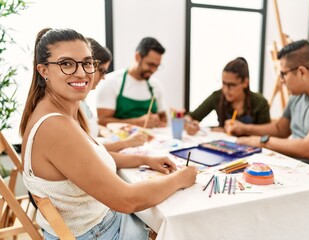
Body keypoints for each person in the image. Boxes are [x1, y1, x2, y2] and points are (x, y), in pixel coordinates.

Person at [20, 28, 197, 239]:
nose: (81, 73)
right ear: (44, 70)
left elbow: (88, 161)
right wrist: (180, 178)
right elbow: (126, 200)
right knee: (188, 222)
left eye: (87, 63)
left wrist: (145, 159)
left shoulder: (54, 113)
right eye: (66, 63)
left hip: (96, 224)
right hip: (101, 232)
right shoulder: (56, 126)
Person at [225, 40, 309, 196]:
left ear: (302, 71)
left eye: (283, 74)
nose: (281, 80)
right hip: (298, 172)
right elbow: (280, 129)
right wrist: (243, 128)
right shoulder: (297, 94)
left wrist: (261, 141)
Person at [82, 37, 148, 152]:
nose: (103, 77)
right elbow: (87, 150)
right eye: (102, 71)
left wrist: (117, 135)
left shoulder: (82, 102)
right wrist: (127, 142)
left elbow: (92, 131)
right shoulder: (72, 107)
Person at [185, 57, 271, 135]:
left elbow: (267, 132)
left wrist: (244, 129)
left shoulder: (260, 102)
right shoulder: (217, 96)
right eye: (224, 83)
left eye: (231, 85)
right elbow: (190, 117)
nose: (226, 90)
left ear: (245, 83)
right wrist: (189, 124)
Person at [96, 37, 167, 128]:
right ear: (137, 57)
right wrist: (137, 122)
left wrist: (158, 121)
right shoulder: (111, 82)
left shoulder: (156, 85)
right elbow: (102, 121)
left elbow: (163, 118)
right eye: (150, 64)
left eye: (157, 66)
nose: (153, 70)